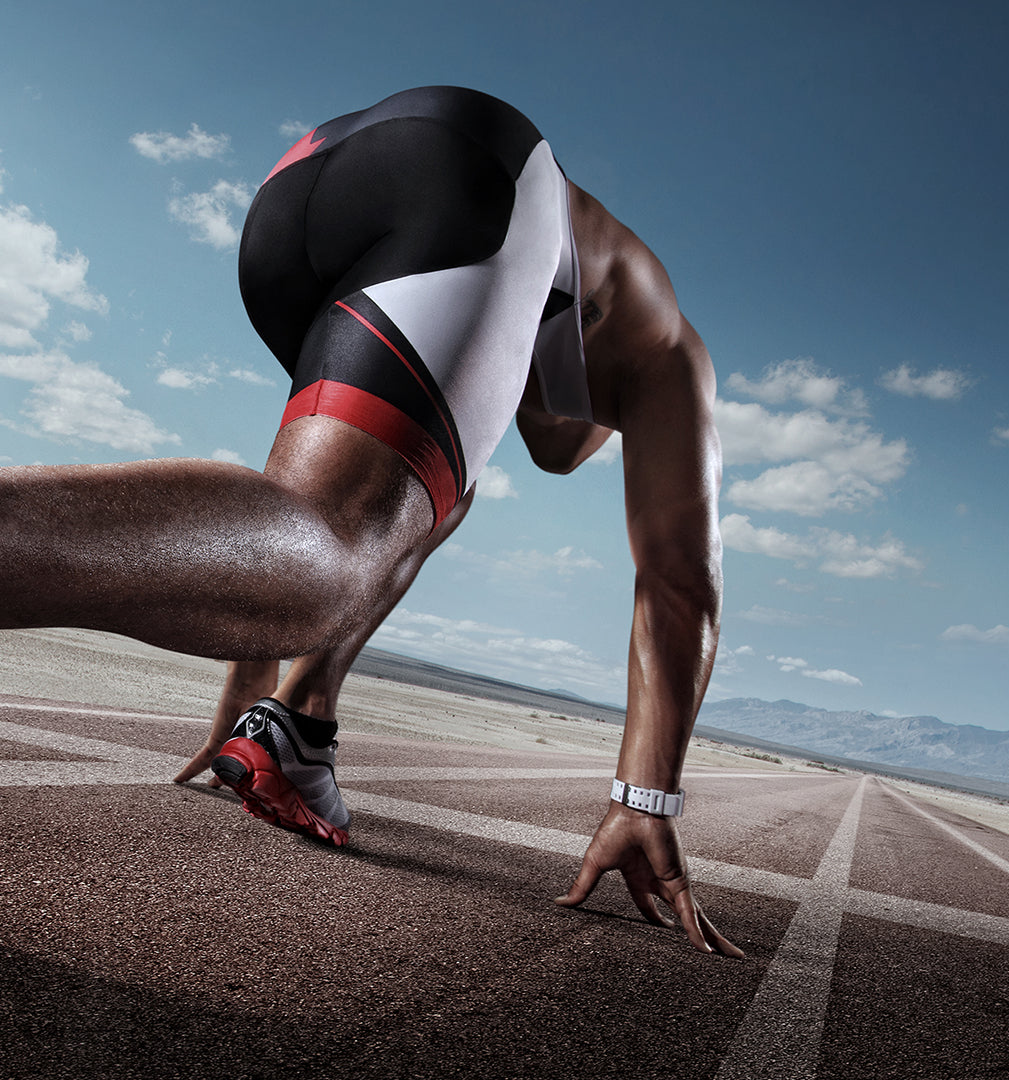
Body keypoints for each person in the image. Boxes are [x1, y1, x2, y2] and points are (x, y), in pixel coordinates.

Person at [1, 87, 741, 957]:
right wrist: (642, 798)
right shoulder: (667, 357)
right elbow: (680, 582)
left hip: (304, 189)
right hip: (475, 172)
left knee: (415, 501)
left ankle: (294, 722)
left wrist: (246, 679)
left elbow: (290, 501)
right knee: (334, 564)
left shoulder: (527, 334)